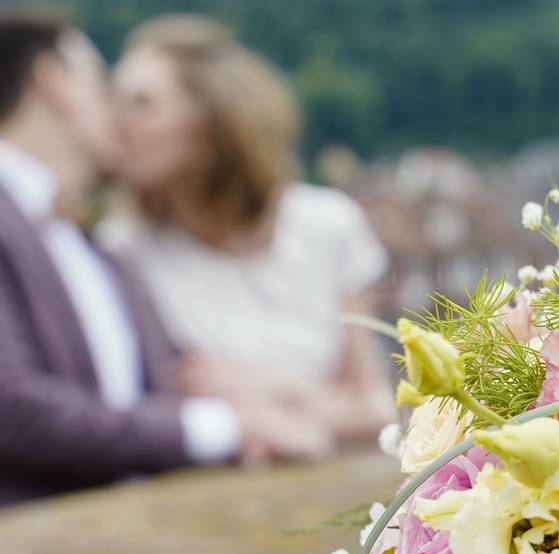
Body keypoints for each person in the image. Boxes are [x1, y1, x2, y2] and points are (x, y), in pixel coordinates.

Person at [0, 12, 330, 505]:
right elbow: (13, 407)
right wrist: (222, 427)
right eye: (102, 85)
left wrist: (256, 398)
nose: (115, 114)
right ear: (55, 82)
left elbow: (160, 385)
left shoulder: (92, 243)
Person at [101, 16, 395, 443]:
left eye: (141, 103)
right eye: (114, 101)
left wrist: (277, 392)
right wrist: (317, 410)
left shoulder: (329, 225)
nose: (116, 124)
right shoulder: (122, 250)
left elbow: (377, 411)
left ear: (209, 126)